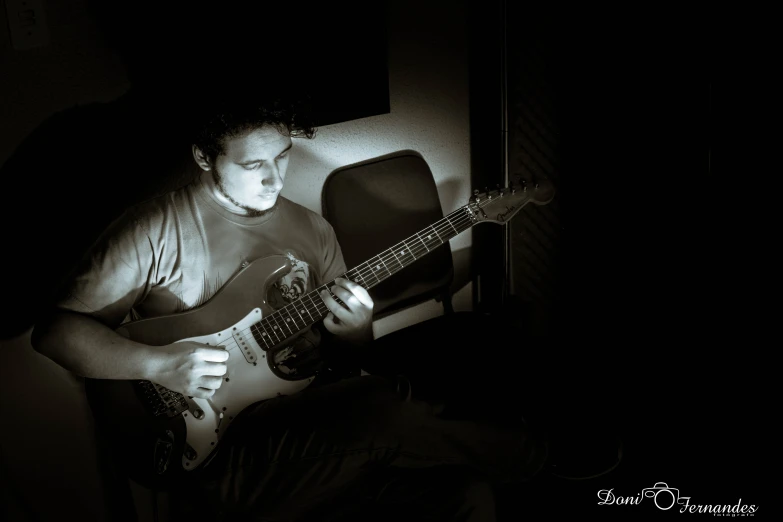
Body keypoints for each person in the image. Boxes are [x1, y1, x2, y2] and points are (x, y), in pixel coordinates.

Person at [30, 89, 549, 521]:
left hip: (316, 423)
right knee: (379, 407)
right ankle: (539, 458)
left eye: (282, 157)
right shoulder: (155, 229)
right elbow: (54, 332)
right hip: (224, 455)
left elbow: (348, 358)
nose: (275, 179)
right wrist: (158, 364)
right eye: (254, 164)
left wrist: (355, 328)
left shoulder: (311, 229)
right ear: (204, 158)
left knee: (467, 500)